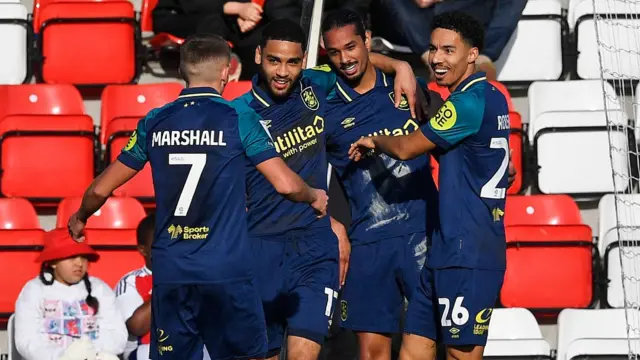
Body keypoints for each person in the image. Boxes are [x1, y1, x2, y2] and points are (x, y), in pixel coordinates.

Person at [67, 33, 329, 360]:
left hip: (174, 271)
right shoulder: (238, 118)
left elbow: (99, 189)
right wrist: (314, 196)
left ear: (181, 71)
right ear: (226, 72)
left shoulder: (155, 122)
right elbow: (286, 185)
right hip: (226, 270)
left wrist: (80, 217)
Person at [234, 18, 422, 360]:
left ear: (303, 62)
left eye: (292, 62)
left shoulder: (315, 84)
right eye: (274, 60)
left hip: (312, 250)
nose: (282, 71)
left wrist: (400, 65)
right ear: (259, 56)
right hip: (261, 247)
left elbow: (352, 58)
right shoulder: (239, 114)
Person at [349, 11, 509, 360]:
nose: (437, 58)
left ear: (472, 54)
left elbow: (406, 148)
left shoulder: (467, 103)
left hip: (467, 254)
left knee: (461, 355)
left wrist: (373, 140)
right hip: (443, 251)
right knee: (412, 351)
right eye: (433, 49)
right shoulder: (492, 96)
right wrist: (401, 66)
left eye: (449, 50)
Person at [303, 9, 443, 360]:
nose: (344, 59)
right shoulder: (322, 100)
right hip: (369, 240)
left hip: (424, 236)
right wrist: (331, 222)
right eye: (334, 52)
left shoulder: (409, 91)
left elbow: (452, 143)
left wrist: (402, 69)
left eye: (351, 47)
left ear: (367, 40)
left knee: (433, 345)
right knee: (372, 352)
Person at [14, 229, 127, 360]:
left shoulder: (99, 289)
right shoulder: (34, 290)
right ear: (53, 262)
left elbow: (118, 336)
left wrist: (88, 351)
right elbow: (26, 340)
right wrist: (64, 355)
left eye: (84, 257)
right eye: (72, 256)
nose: (79, 263)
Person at [115, 214, 212, 360]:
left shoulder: (193, 275)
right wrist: (168, 282)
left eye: (173, 242)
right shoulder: (130, 282)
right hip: (146, 348)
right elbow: (136, 327)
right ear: (143, 250)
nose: (168, 250)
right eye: (159, 244)